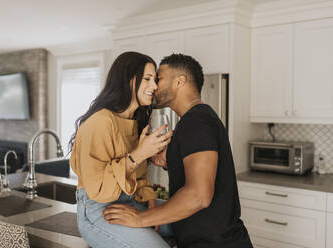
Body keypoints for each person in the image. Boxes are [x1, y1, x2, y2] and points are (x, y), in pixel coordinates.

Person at [103, 54, 253, 248]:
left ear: (179, 82)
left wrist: (141, 218)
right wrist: (170, 160)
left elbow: (199, 196)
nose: (154, 86)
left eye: (159, 79)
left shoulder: (196, 122)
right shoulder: (196, 119)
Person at [69, 52, 173, 248]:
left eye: (155, 80)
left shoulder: (135, 121)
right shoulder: (100, 122)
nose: (155, 86)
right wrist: (141, 153)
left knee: (193, 222)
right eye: (148, 79)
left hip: (133, 202)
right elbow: (98, 190)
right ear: (129, 80)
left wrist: (150, 203)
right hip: (99, 210)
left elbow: (139, 177)